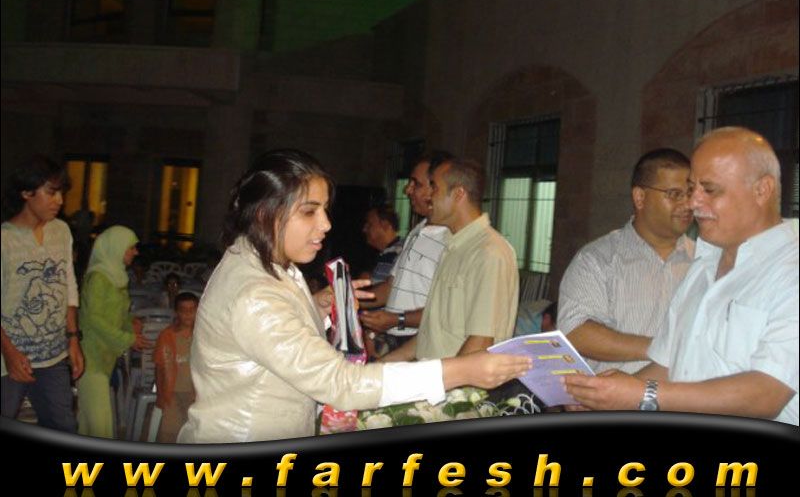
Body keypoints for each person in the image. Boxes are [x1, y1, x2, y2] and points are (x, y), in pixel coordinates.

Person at [178, 149, 531, 442]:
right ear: (265, 214)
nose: (326, 224)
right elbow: (340, 382)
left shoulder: (264, 264)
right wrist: (460, 370)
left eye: (324, 210)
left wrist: (317, 306)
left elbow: (275, 338)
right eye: (309, 211)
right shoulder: (256, 293)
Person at [565, 127, 798, 425]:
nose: (692, 202)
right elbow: (670, 364)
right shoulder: (704, 264)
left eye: (709, 189)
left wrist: (643, 395)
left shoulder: (790, 268)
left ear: (762, 190)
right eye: (690, 188)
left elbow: (766, 394)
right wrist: (603, 398)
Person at [557, 148, 695, 374]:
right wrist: (661, 348)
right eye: (674, 194)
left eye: (690, 193)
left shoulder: (705, 261)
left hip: (687, 395)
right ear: (640, 197)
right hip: (614, 395)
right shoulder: (598, 259)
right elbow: (576, 332)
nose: (687, 204)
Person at [382, 156, 519, 362]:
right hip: (431, 376)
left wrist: (443, 380)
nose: (429, 196)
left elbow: (480, 343)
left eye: (434, 188)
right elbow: (431, 335)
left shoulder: (488, 253)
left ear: (458, 194)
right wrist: (381, 367)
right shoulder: (453, 246)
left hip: (454, 381)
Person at [1, 155, 84, 432]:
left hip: (53, 355)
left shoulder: (61, 231)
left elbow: (68, 285)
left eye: (61, 193)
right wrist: (9, 353)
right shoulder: (5, 240)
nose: (59, 200)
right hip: (8, 358)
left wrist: (73, 339)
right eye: (51, 192)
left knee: (63, 427)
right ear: (27, 192)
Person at [360, 153, 452, 355]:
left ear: (436, 187)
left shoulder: (451, 239)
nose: (407, 189)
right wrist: (350, 299)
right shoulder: (417, 231)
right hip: (396, 338)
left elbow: (448, 311)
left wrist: (397, 319)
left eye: (415, 184)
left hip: (422, 342)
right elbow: (390, 287)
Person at [77, 225, 151, 438]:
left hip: (105, 356)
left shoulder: (117, 276)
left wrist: (131, 323)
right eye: (131, 248)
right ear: (116, 247)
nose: (135, 252)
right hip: (90, 356)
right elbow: (94, 319)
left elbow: (118, 314)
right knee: (101, 426)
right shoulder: (98, 278)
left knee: (88, 422)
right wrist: (128, 339)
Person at [154, 291, 198, 443]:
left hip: (196, 394)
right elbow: (159, 367)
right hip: (171, 393)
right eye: (183, 310)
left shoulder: (202, 335)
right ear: (176, 312)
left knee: (194, 433)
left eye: (192, 310)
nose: (188, 314)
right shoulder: (166, 336)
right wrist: (160, 394)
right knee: (169, 432)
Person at [360, 204, 403, 284]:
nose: (364, 229)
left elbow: (386, 289)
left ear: (385, 225)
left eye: (369, 224)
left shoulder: (398, 253)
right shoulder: (385, 254)